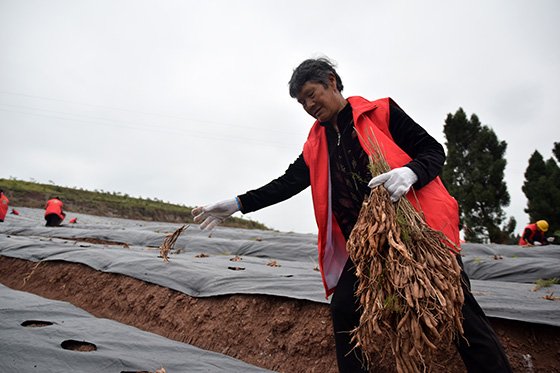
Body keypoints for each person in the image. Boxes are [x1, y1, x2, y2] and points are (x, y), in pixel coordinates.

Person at [192, 57, 512, 372]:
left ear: (331, 81)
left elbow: (432, 149)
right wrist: (237, 204)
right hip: (368, 243)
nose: (308, 105)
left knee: (458, 306)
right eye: (302, 102)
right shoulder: (317, 143)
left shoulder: (380, 113)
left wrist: (411, 172)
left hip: (418, 232)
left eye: (311, 94)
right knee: (344, 308)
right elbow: (287, 183)